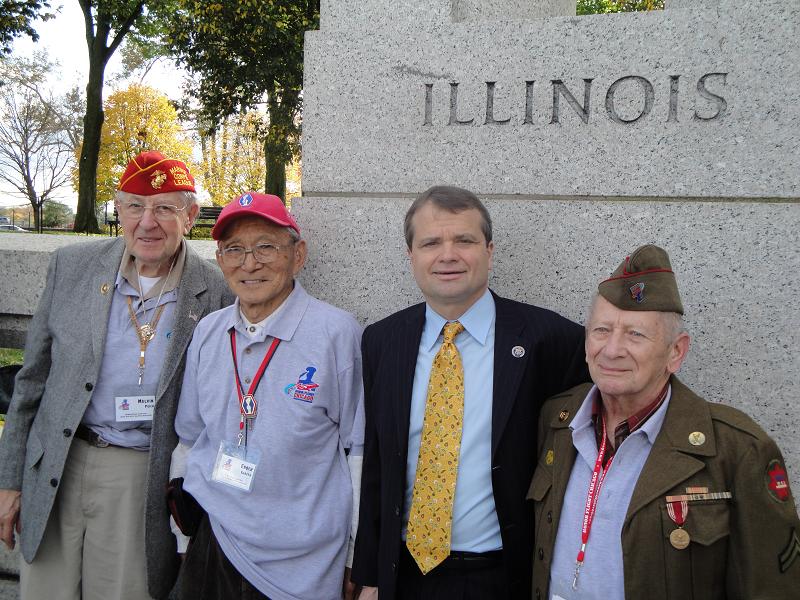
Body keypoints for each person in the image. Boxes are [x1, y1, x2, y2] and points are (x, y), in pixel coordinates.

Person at [0, 150, 233, 599]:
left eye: (164, 208)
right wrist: (8, 480)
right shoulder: (72, 267)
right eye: (134, 206)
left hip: (141, 473)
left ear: (189, 217)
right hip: (59, 462)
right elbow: (31, 380)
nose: (148, 221)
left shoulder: (215, 290)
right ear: (118, 210)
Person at [352, 186, 590, 600]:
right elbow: (377, 464)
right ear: (411, 256)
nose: (448, 255)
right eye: (431, 243)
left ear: (489, 250)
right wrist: (370, 575)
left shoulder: (552, 340)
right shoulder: (381, 341)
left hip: (499, 576)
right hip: (404, 574)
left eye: (464, 240)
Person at [529, 244, 800, 600]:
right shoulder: (558, 419)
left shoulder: (738, 448)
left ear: (676, 352)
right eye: (601, 330)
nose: (612, 350)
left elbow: (769, 587)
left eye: (635, 334)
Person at [171, 192, 364, 600]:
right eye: (235, 249)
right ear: (220, 259)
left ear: (298, 255)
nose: (249, 263)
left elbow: (358, 451)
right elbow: (189, 439)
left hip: (302, 562)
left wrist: (355, 553)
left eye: (265, 247)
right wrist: (184, 539)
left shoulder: (337, 334)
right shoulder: (208, 332)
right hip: (216, 538)